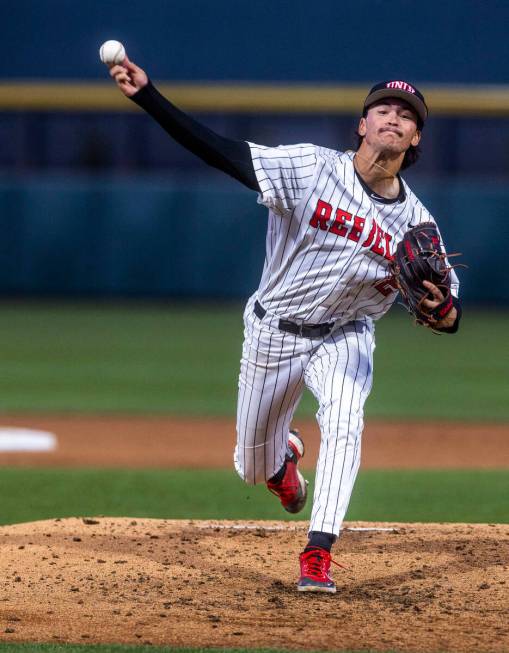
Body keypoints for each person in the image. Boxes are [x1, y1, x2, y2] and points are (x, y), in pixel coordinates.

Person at [107, 60, 461, 593]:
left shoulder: (418, 225)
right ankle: (281, 464)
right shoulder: (311, 167)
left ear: (415, 139)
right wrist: (148, 96)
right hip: (273, 331)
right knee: (250, 467)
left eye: (406, 116)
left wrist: (445, 312)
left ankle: (318, 552)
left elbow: (449, 311)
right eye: (383, 109)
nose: (393, 117)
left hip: (345, 336)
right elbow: (221, 152)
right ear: (362, 125)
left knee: (345, 418)